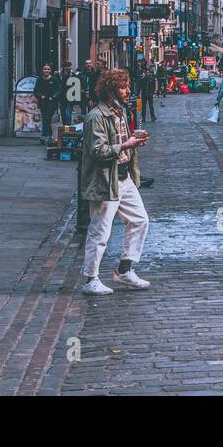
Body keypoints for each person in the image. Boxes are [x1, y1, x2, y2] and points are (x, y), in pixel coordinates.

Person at [79, 68, 152, 295]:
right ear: (110, 90)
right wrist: (127, 145)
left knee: (140, 220)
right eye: (123, 87)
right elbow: (98, 151)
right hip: (105, 179)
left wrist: (132, 144)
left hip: (123, 176)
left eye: (127, 86)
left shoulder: (120, 112)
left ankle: (125, 270)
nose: (128, 91)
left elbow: (122, 141)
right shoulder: (96, 116)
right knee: (100, 231)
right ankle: (91, 279)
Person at [33, 64, 62, 143]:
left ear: (50, 70)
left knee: (47, 118)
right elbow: (36, 90)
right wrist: (40, 96)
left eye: (48, 69)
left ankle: (45, 135)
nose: (46, 70)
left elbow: (59, 90)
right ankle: (49, 135)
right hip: (43, 103)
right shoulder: (39, 80)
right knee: (46, 119)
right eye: (45, 69)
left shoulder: (54, 79)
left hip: (52, 103)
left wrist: (53, 97)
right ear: (42, 70)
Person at [59, 61, 79, 127]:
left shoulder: (73, 75)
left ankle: (67, 129)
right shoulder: (59, 75)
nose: (69, 67)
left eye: (69, 66)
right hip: (62, 98)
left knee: (68, 114)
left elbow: (76, 87)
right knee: (63, 114)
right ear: (63, 67)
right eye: (67, 66)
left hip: (70, 98)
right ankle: (65, 127)